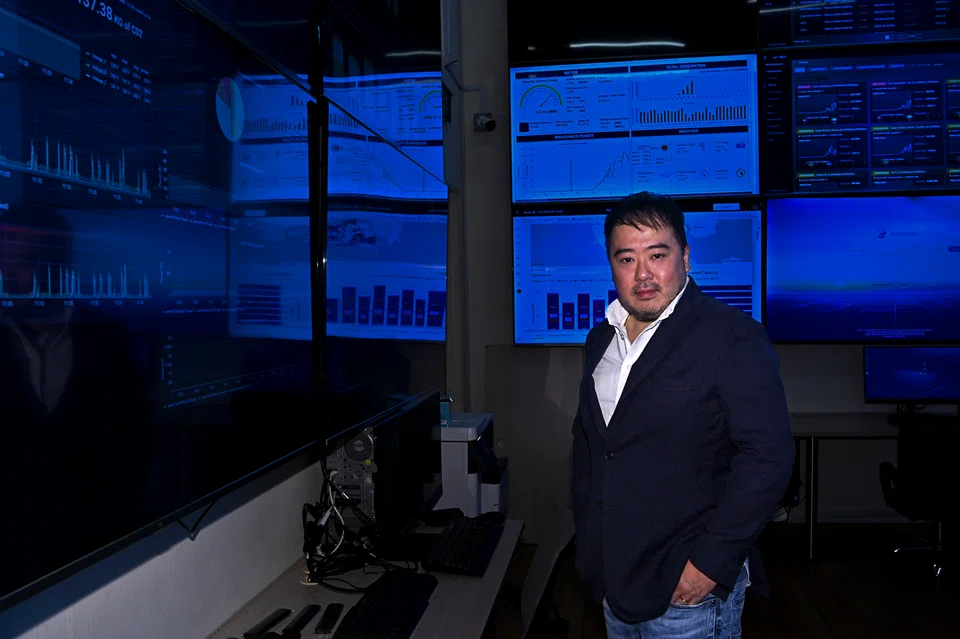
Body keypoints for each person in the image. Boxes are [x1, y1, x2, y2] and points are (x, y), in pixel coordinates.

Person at [570, 192, 794, 638]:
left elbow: (768, 457)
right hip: (615, 582)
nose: (643, 274)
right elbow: (595, 454)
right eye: (627, 258)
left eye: (658, 254)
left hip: (687, 592)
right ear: (611, 266)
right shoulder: (600, 341)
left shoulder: (731, 337)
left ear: (686, 256)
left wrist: (709, 565)